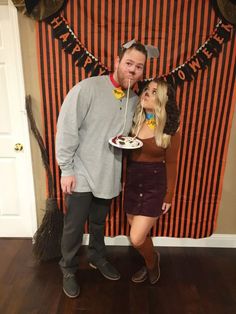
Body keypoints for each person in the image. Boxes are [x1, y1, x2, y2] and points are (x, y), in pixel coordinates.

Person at [55, 42, 147, 298]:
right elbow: (66, 129)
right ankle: (69, 269)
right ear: (117, 61)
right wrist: (66, 169)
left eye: (139, 67)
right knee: (74, 227)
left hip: (109, 171)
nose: (133, 70)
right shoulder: (88, 88)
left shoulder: (136, 100)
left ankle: (97, 257)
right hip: (81, 170)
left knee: (98, 222)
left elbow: (132, 134)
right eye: (129, 63)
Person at [124, 78, 180, 284]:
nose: (147, 92)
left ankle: (151, 263)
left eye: (154, 92)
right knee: (135, 230)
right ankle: (151, 257)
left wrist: (169, 195)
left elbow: (172, 163)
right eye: (147, 89)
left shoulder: (170, 127)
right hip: (132, 182)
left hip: (154, 186)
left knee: (136, 237)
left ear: (163, 100)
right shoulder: (132, 120)